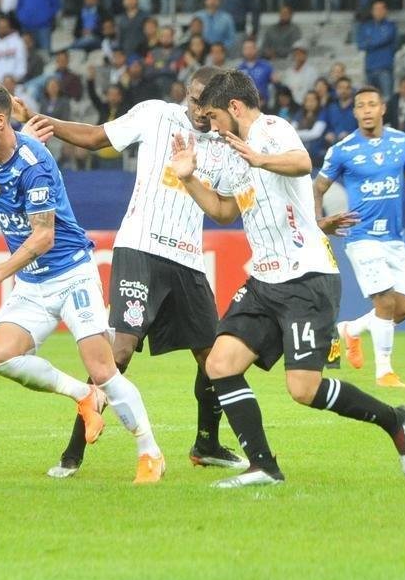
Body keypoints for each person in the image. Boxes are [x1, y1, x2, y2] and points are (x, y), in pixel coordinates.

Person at [169, 70, 405, 487]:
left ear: (234, 108)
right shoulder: (235, 153)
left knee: (304, 390)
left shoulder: (272, 130)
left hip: (307, 279)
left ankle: (396, 419)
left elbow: (302, 163)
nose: (212, 125)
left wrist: (259, 158)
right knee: (219, 363)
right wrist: (188, 178)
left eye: (215, 115)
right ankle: (264, 466)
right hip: (264, 281)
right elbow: (223, 211)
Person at [14, 66, 248, 477]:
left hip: (188, 260)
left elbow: (225, 207)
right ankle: (73, 453)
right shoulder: (156, 114)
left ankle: (206, 444)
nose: (196, 109)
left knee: (214, 358)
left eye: (204, 103)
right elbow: (94, 137)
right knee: (119, 351)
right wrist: (40, 120)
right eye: (192, 99)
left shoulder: (225, 144)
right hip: (139, 248)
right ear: (185, 94)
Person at [0, 84, 165, 484]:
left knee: (103, 370)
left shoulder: (35, 165)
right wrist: (23, 130)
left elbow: (43, 238)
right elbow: (14, 146)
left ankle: (149, 451)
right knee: (2, 355)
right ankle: (82, 395)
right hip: (33, 283)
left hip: (72, 274)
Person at [316, 85, 405, 388]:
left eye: (372, 104)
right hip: (361, 236)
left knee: (402, 309)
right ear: (354, 112)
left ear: (383, 108)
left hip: (394, 238)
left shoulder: (402, 142)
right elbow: (317, 188)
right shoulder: (343, 150)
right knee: (384, 300)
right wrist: (320, 221)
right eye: (361, 106)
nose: (367, 110)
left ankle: (351, 329)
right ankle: (384, 371)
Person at [356, 0, 397, 100]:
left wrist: (370, 41)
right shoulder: (366, 26)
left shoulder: (390, 26)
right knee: (370, 100)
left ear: (385, 11)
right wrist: (376, 41)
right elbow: (360, 44)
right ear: (372, 11)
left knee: (387, 100)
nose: (378, 12)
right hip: (369, 69)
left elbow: (384, 39)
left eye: (380, 9)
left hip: (384, 69)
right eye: (375, 9)